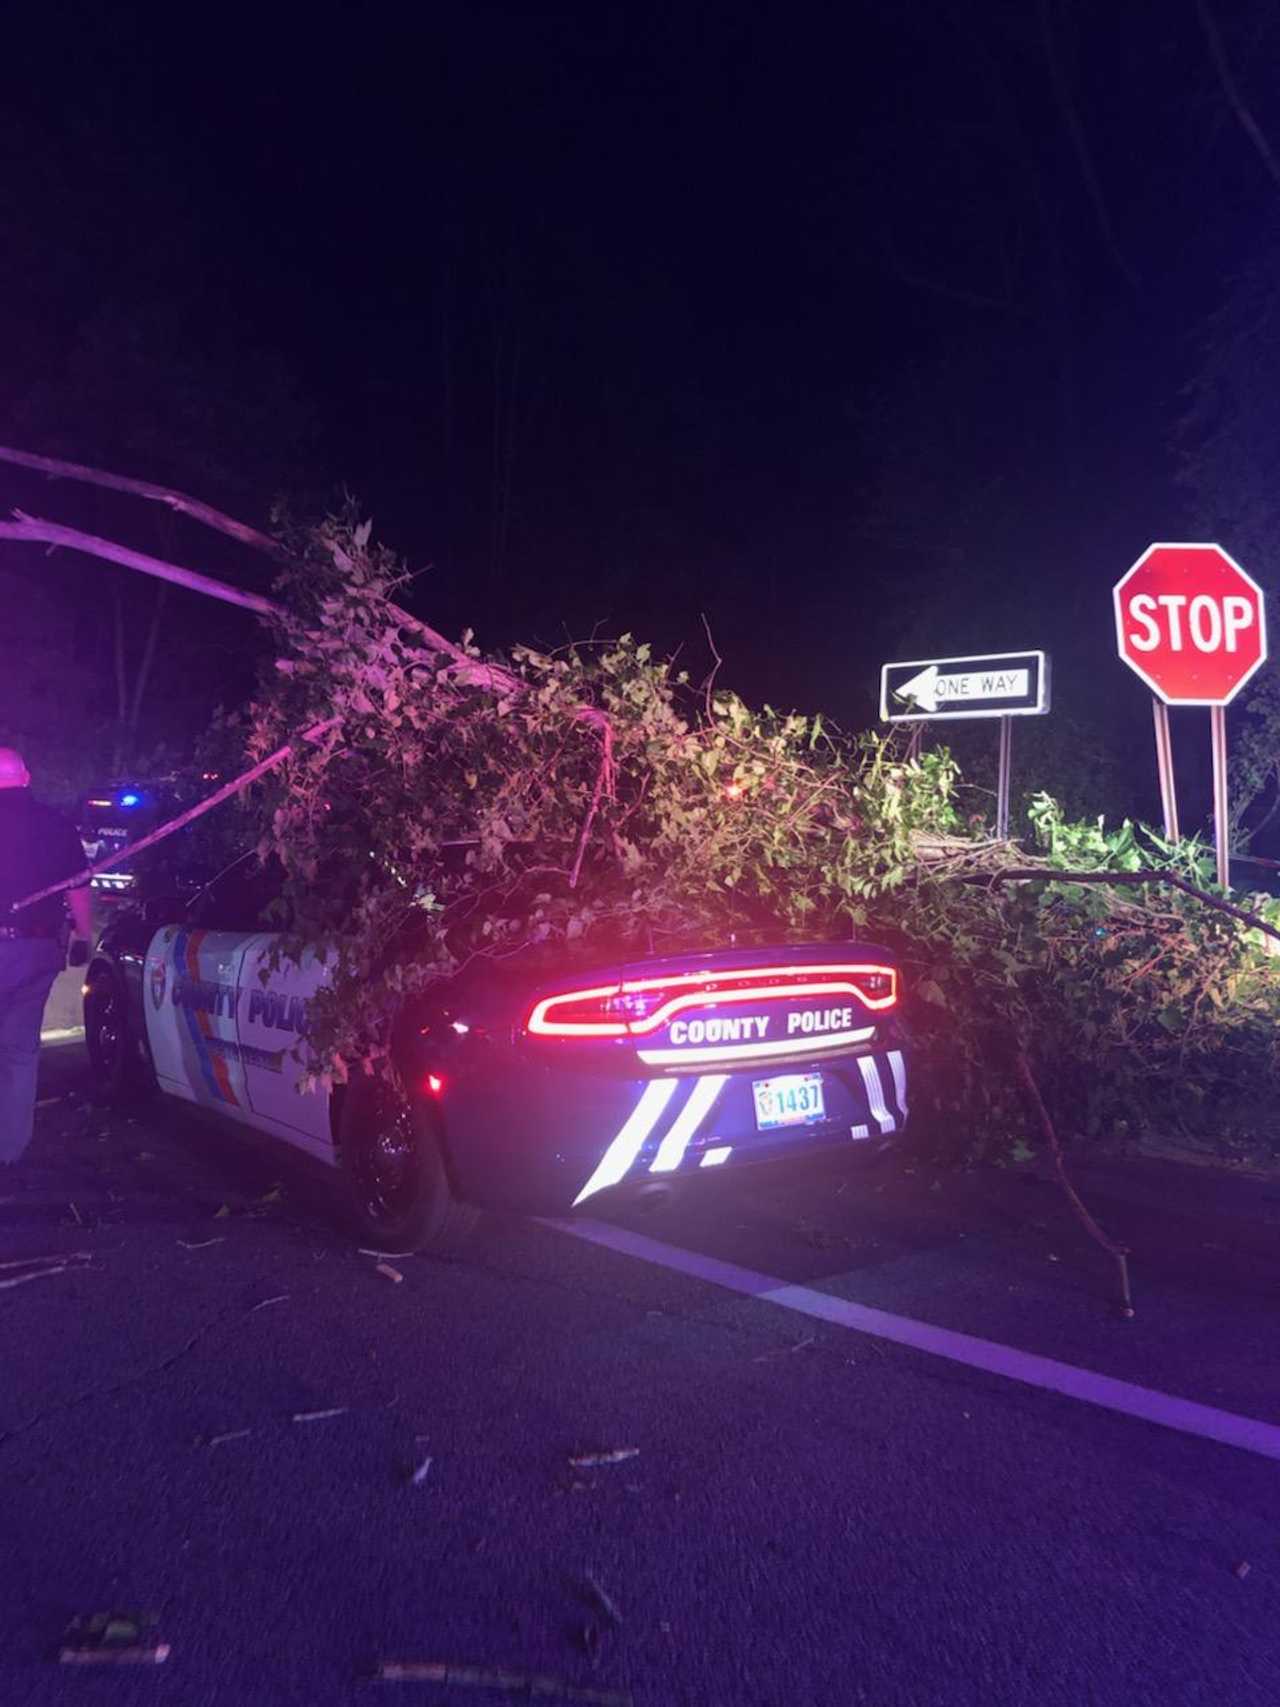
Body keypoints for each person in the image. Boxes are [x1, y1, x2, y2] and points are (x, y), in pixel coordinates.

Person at [0, 748, 91, 1168]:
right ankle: (10, 1150)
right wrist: (83, 936)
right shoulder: (55, 826)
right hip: (37, 951)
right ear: (27, 777)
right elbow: (77, 887)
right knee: (19, 1051)